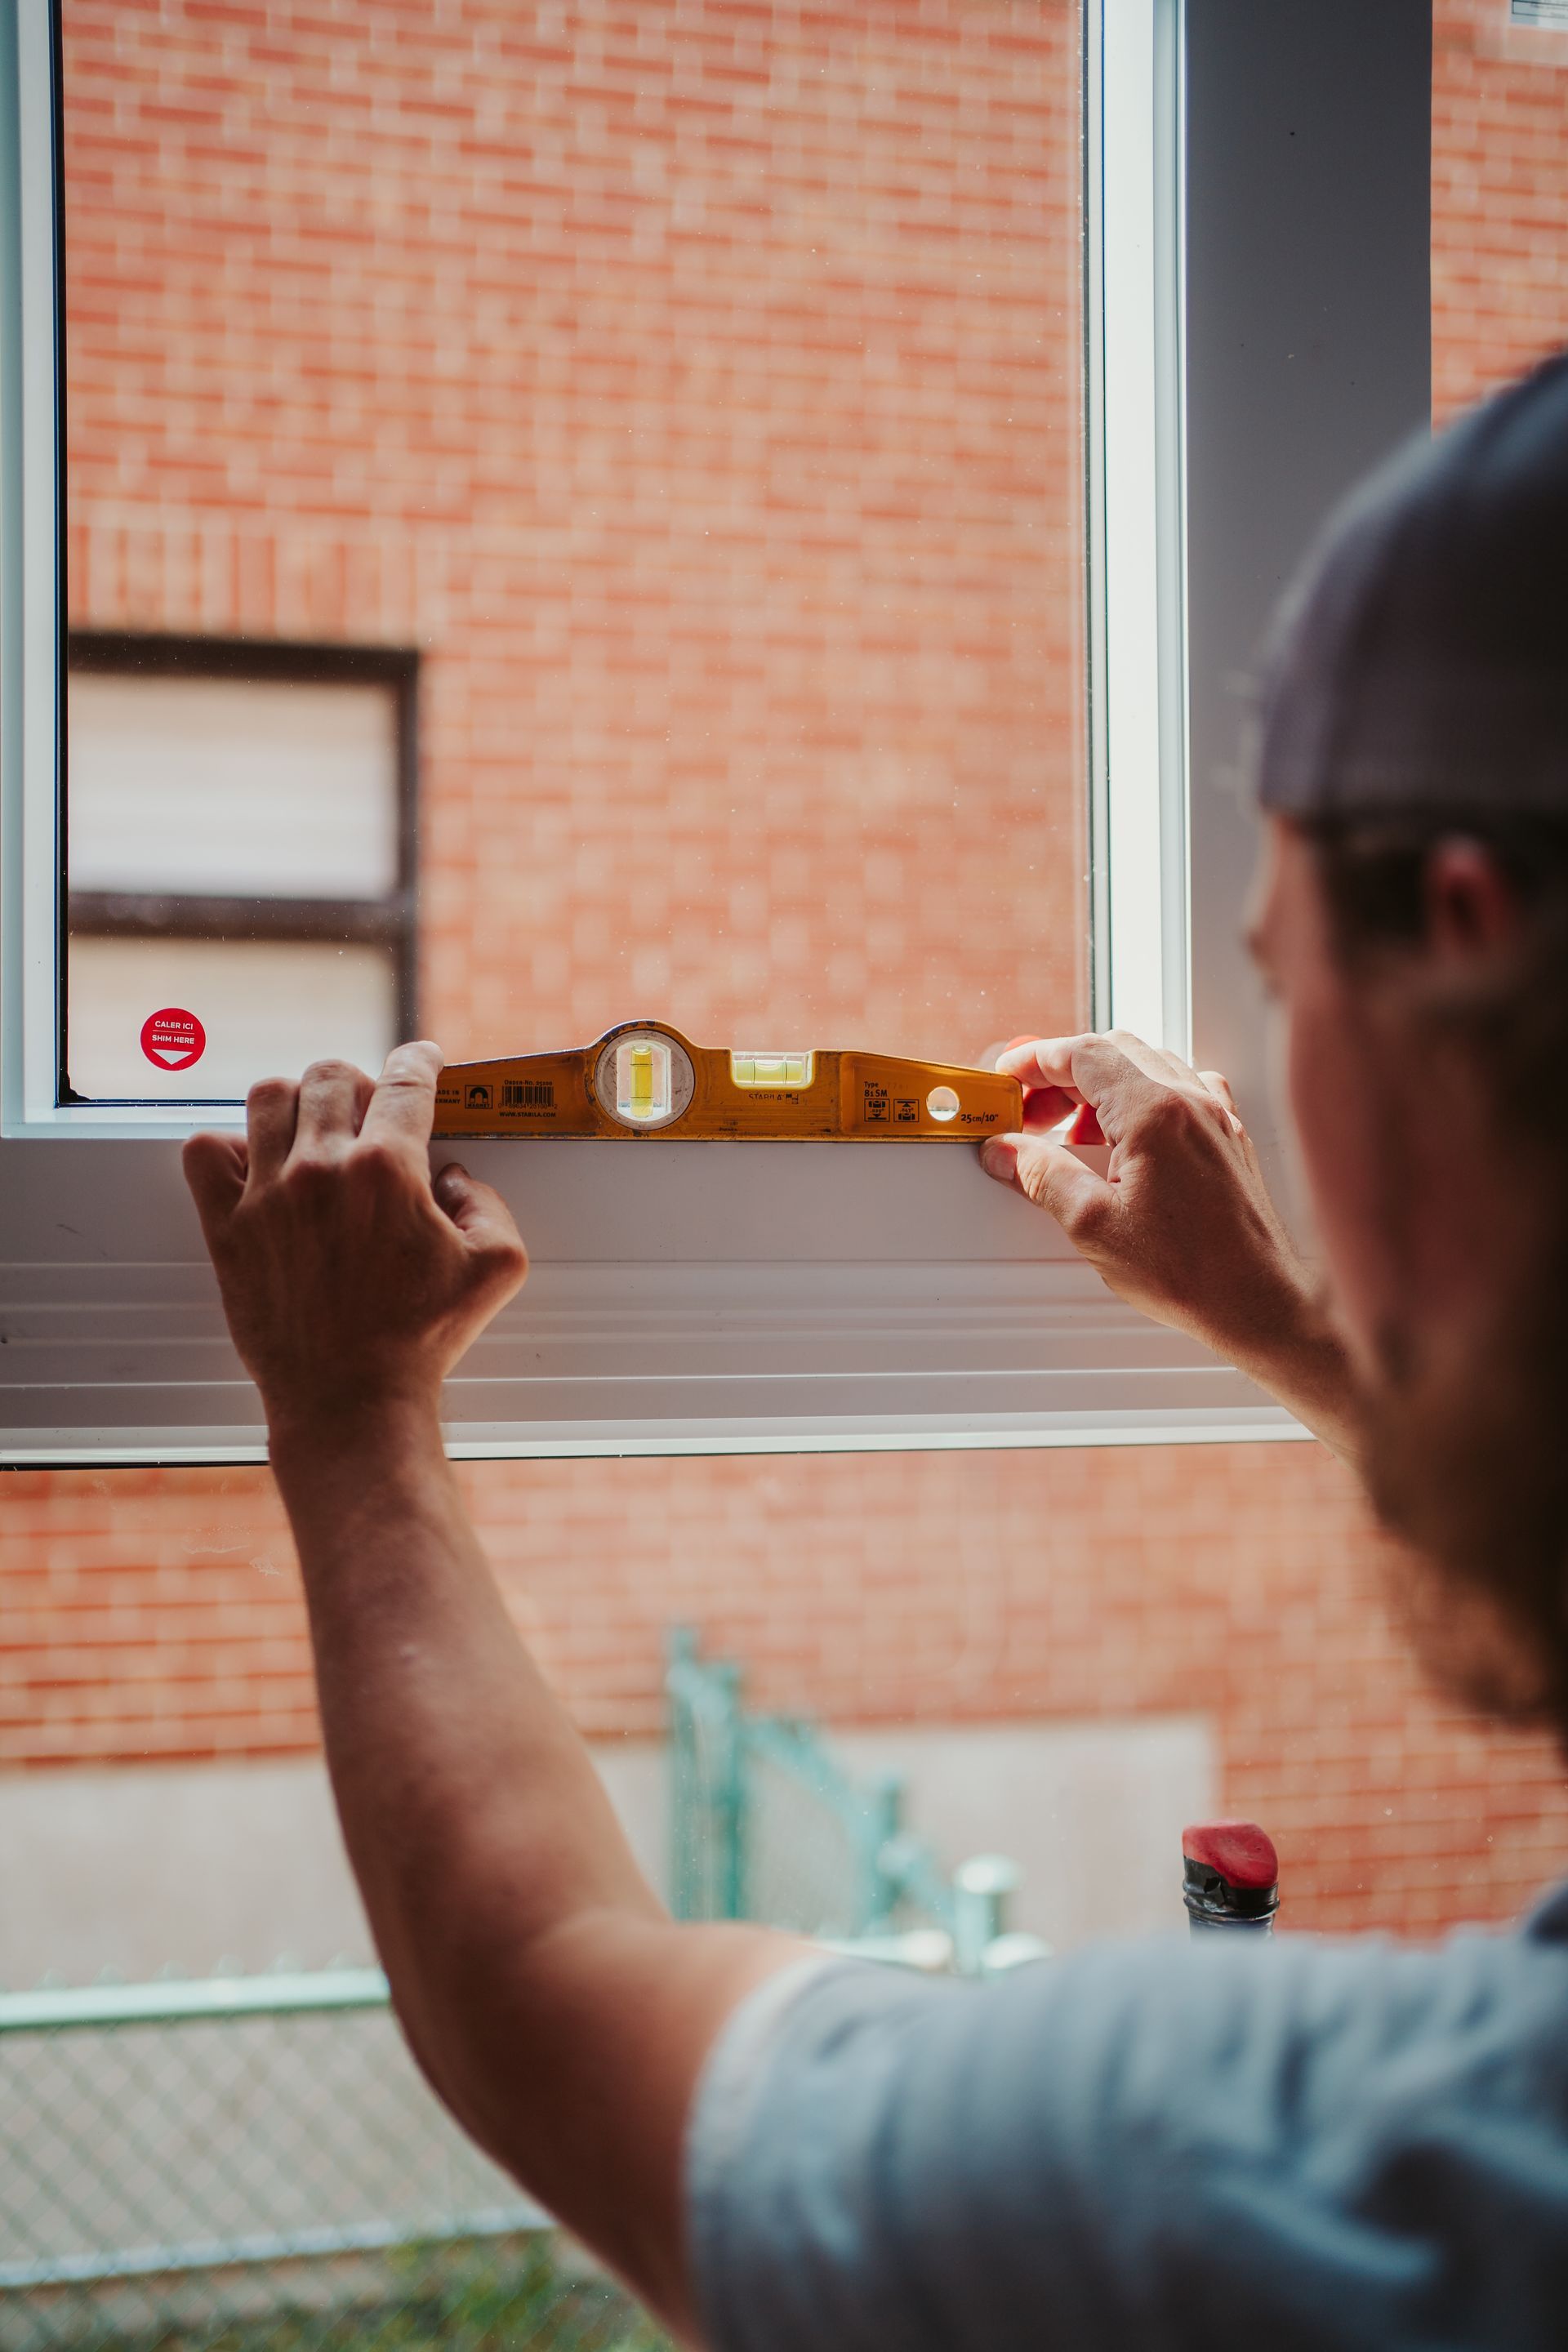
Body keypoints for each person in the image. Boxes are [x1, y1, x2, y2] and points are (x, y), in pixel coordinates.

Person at [183, 350, 1568, 2349]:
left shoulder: (1344, 2183)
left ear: (1457, 950)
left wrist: (345, 1420)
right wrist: (1289, 1324)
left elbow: (550, 1996)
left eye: (1281, 983)